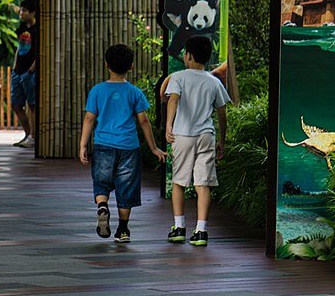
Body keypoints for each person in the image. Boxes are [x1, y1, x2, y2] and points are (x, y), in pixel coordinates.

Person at [77, 44, 167, 243]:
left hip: (103, 146)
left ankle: (102, 206)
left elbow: (89, 119)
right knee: (127, 187)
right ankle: (123, 230)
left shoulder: (98, 91)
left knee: (101, 183)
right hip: (129, 147)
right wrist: (153, 148)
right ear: (131, 67)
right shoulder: (134, 92)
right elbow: (143, 121)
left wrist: (83, 145)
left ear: (106, 65)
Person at [165, 35, 231, 247]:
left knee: (179, 181)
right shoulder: (213, 81)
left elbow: (173, 100)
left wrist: (169, 125)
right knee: (203, 184)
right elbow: (222, 113)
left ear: (188, 56)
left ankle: (178, 227)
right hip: (206, 136)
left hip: (182, 135)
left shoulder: (178, 77)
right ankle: (201, 230)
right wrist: (222, 139)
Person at [10, 0, 39, 149]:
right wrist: (15, 67)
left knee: (32, 105)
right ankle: (28, 134)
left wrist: (31, 70)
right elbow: (19, 47)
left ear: (33, 12)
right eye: (21, 10)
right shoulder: (22, 28)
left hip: (29, 71)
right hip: (18, 70)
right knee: (16, 104)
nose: (21, 13)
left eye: (24, 10)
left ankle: (33, 137)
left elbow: (40, 52)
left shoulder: (38, 29)